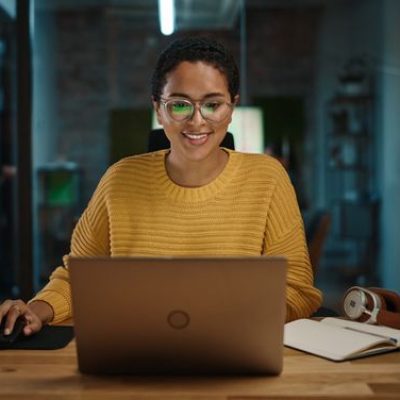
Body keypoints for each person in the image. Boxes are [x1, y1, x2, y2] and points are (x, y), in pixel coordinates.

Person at [0, 37, 322, 337]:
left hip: (236, 348)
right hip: (134, 349)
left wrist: (238, 321)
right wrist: (36, 310)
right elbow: (78, 278)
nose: (197, 121)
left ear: (232, 107)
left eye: (213, 104)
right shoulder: (119, 180)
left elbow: (296, 289)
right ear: (158, 109)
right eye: (180, 105)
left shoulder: (268, 178)